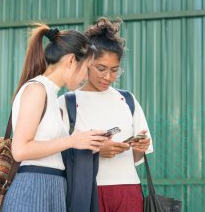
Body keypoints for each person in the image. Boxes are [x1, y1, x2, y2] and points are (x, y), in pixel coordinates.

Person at [2, 24, 108, 212]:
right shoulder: (36, 89)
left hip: (54, 187)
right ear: (70, 61)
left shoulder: (52, 97)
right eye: (87, 68)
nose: (87, 76)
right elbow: (20, 150)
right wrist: (73, 141)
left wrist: (85, 142)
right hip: (32, 188)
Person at [59, 17, 153, 212]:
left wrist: (140, 147)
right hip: (86, 190)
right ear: (86, 63)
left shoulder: (128, 100)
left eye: (114, 70)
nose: (108, 77)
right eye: (101, 69)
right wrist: (95, 153)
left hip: (128, 189)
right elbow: (58, 156)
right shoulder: (67, 102)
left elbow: (135, 158)